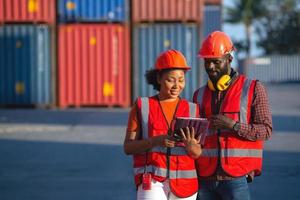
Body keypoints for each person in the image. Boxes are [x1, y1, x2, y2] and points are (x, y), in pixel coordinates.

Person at [192, 31, 272, 200]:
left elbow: (265, 130)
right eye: (207, 62)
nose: (211, 67)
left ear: (229, 59)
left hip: (236, 178)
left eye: (216, 61)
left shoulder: (253, 89)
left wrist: (232, 125)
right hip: (205, 178)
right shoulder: (198, 95)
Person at [124, 49, 202, 200]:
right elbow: (128, 147)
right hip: (152, 181)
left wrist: (193, 148)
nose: (176, 85)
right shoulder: (142, 106)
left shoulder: (193, 109)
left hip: (185, 184)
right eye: (171, 80)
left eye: (181, 80)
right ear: (158, 78)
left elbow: (198, 153)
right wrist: (155, 141)